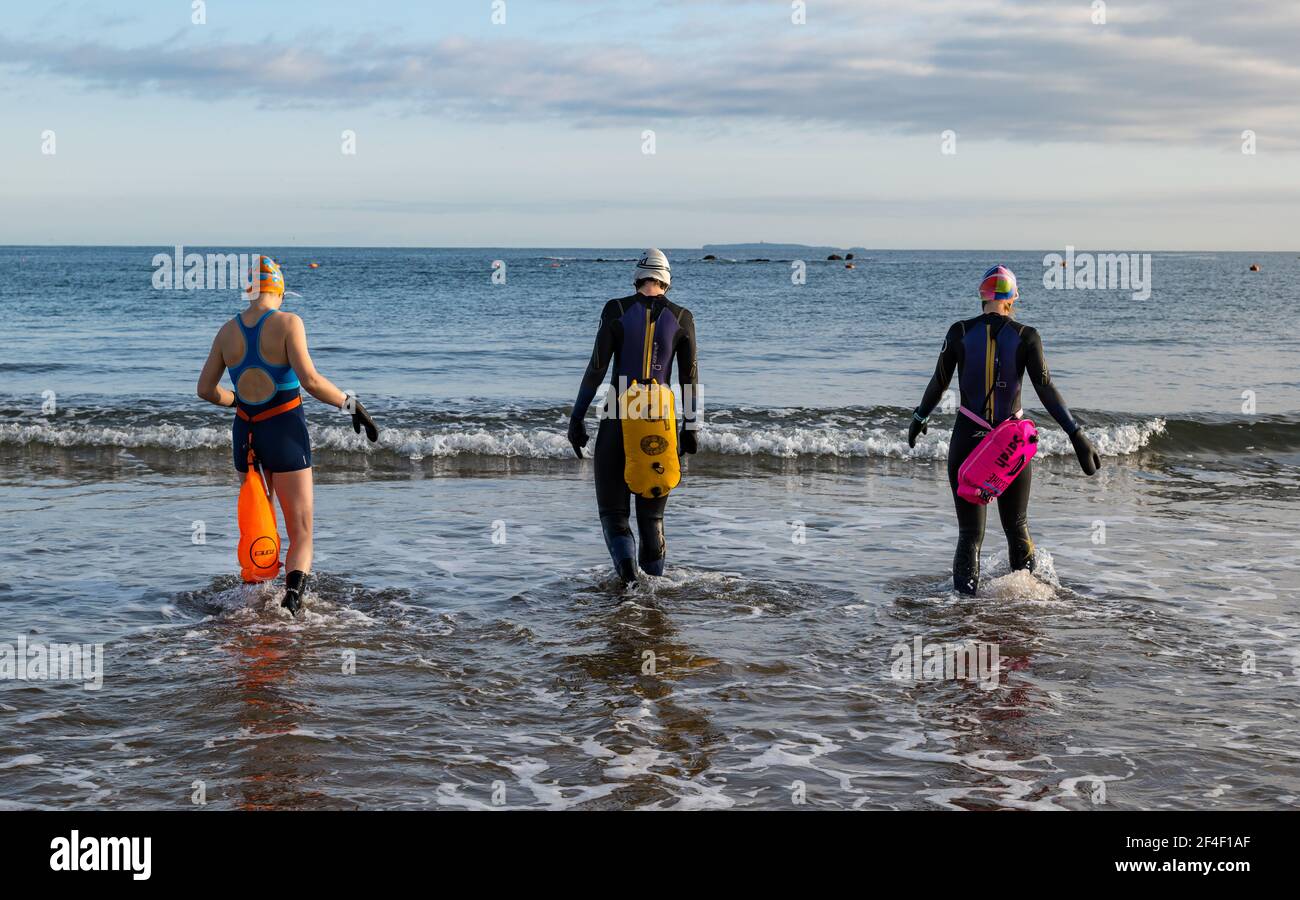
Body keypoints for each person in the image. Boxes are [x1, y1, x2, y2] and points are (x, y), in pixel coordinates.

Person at [196, 256, 379, 615]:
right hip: (285, 429)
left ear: (250, 290)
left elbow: (205, 389)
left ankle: (254, 601)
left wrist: (234, 400)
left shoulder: (227, 331)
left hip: (245, 434)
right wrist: (351, 405)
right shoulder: (288, 322)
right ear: (279, 290)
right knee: (301, 530)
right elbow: (310, 381)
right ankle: (292, 603)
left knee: (258, 521)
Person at [908, 264, 1100, 595]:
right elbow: (1046, 389)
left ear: (982, 297)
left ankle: (963, 611)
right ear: (1013, 300)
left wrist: (919, 417)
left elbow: (939, 383)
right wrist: (1076, 434)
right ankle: (1026, 604)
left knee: (969, 534)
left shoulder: (959, 332)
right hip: (1012, 444)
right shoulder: (1027, 336)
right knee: (1016, 526)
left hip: (968, 438)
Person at [567, 249, 700, 584]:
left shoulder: (616, 309)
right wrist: (691, 427)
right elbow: (690, 378)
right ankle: (652, 595)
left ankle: (629, 590)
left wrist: (577, 418)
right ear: (667, 282)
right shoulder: (683, 317)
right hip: (660, 418)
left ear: (637, 277)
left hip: (617, 411)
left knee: (614, 514)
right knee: (652, 520)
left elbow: (596, 369)